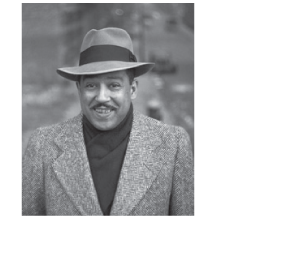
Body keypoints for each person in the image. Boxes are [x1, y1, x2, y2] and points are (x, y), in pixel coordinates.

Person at [22, 27, 193, 216]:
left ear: (133, 89)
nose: (102, 96)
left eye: (114, 85)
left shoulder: (173, 145)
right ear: (79, 89)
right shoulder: (42, 147)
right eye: (91, 85)